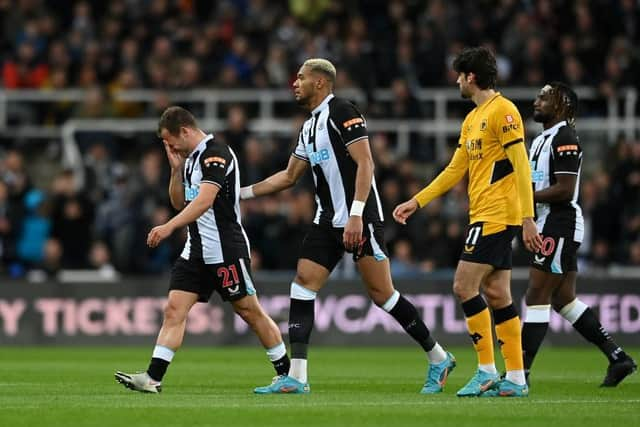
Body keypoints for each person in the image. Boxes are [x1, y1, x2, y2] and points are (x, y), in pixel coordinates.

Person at [243, 58, 455, 395]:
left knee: (382, 295)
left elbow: (366, 162)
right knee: (302, 284)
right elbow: (288, 176)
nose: (294, 83)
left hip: (360, 217)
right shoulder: (309, 126)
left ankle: (438, 357)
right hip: (327, 221)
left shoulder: (343, 111)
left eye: (301, 78)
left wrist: (356, 214)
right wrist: (239, 193)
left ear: (321, 83)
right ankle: (296, 376)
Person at [393, 46, 542, 398]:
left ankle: (487, 370)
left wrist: (528, 217)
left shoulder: (503, 111)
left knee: (463, 286)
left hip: (497, 214)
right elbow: (454, 170)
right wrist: (418, 200)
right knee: (497, 293)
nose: (457, 81)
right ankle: (517, 378)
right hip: (486, 213)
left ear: (471, 77)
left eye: (460, 75)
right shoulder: (473, 119)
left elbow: (521, 165)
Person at [115, 106, 290, 393]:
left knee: (249, 311)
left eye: (171, 142)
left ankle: (287, 374)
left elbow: (205, 200)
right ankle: (153, 377)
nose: (169, 147)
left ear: (184, 131)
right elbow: (180, 202)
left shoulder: (215, 154)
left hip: (225, 250)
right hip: (195, 250)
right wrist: (175, 172)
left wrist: (168, 227)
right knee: (174, 309)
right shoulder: (190, 160)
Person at [521, 82, 637, 387]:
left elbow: (565, 189)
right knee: (563, 299)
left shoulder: (565, 137)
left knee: (536, 295)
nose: (537, 101)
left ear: (563, 105)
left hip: (560, 223)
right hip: (550, 223)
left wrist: (526, 199)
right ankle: (618, 357)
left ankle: (520, 375)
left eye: (544, 97)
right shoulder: (540, 139)